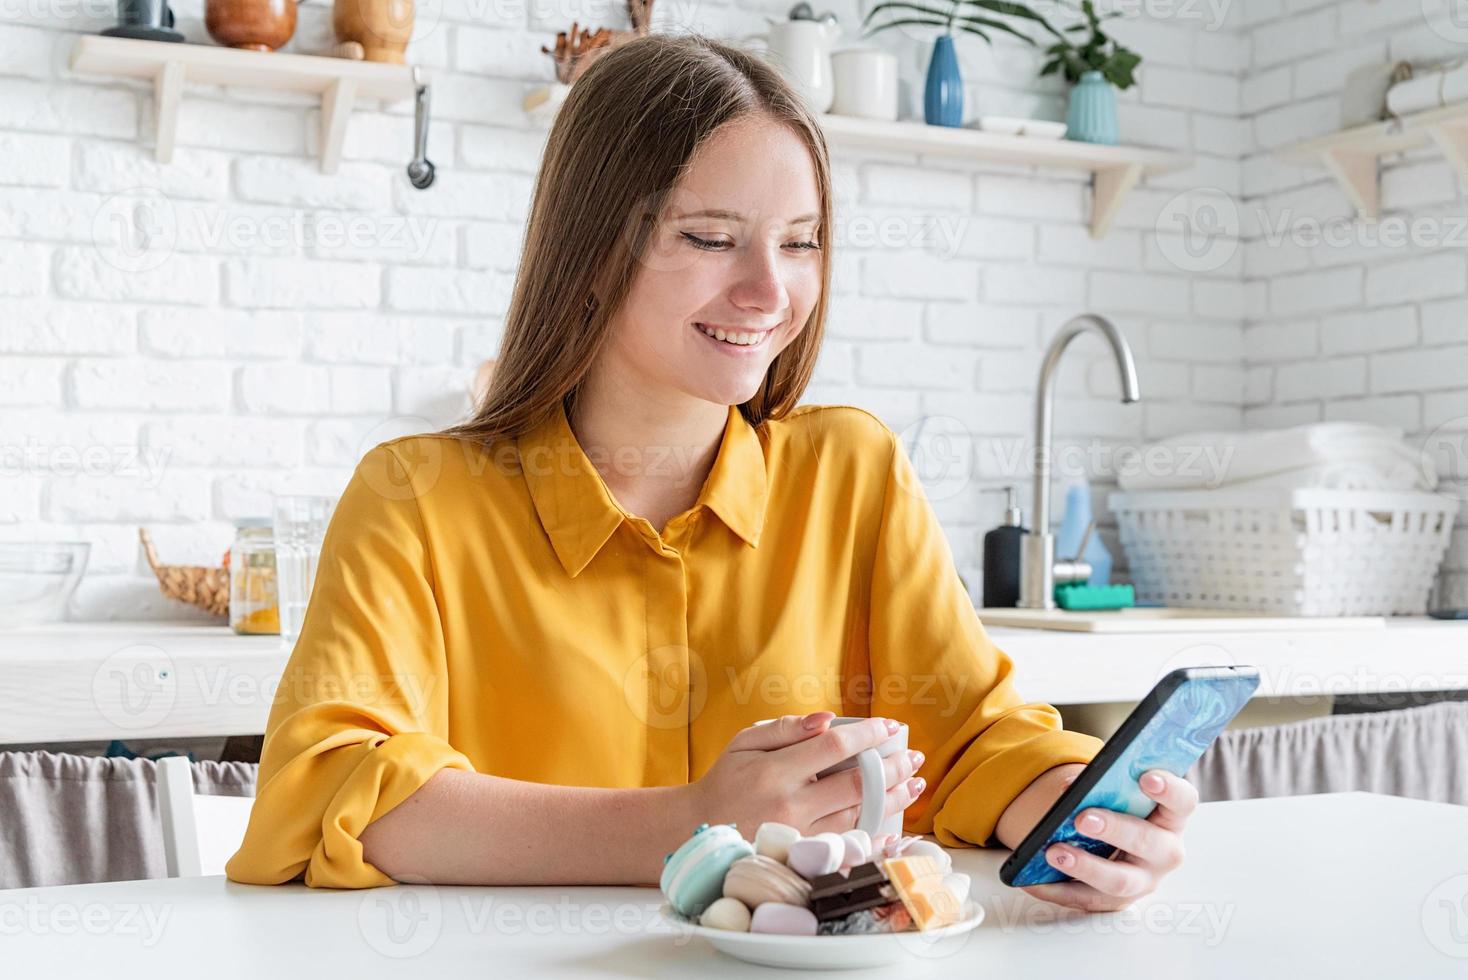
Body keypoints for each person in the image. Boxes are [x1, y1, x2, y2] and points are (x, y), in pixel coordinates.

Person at [225, 33, 1193, 912]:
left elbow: (978, 736)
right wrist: (689, 817)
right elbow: (334, 790)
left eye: (800, 241)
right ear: (595, 250)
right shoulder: (417, 500)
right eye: (710, 237)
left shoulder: (849, 472)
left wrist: (1082, 817)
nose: (770, 292)